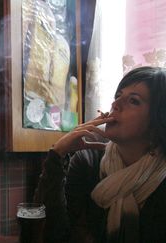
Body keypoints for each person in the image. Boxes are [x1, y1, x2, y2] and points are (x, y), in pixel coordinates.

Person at [35, 66, 166, 243]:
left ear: (157, 120)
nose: (115, 104)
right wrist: (57, 155)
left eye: (133, 101)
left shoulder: (161, 176)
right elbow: (53, 234)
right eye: (118, 96)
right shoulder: (88, 161)